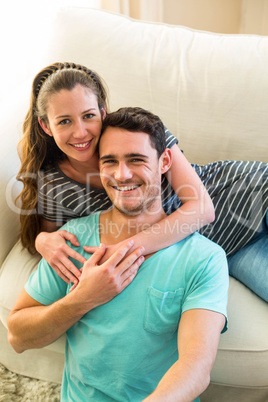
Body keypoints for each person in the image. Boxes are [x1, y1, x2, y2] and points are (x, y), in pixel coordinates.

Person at [8, 107, 229, 401]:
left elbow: (196, 366)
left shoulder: (205, 258)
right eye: (110, 161)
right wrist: (82, 299)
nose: (121, 175)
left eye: (136, 160)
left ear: (164, 161)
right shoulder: (73, 239)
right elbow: (18, 338)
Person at [17, 62, 268, 301]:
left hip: (250, 192)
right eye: (64, 121)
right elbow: (49, 236)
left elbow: (202, 208)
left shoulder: (138, 129)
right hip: (228, 245)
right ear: (46, 126)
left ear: (102, 113)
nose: (81, 132)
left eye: (89, 116)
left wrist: (127, 248)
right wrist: (42, 241)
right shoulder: (55, 185)